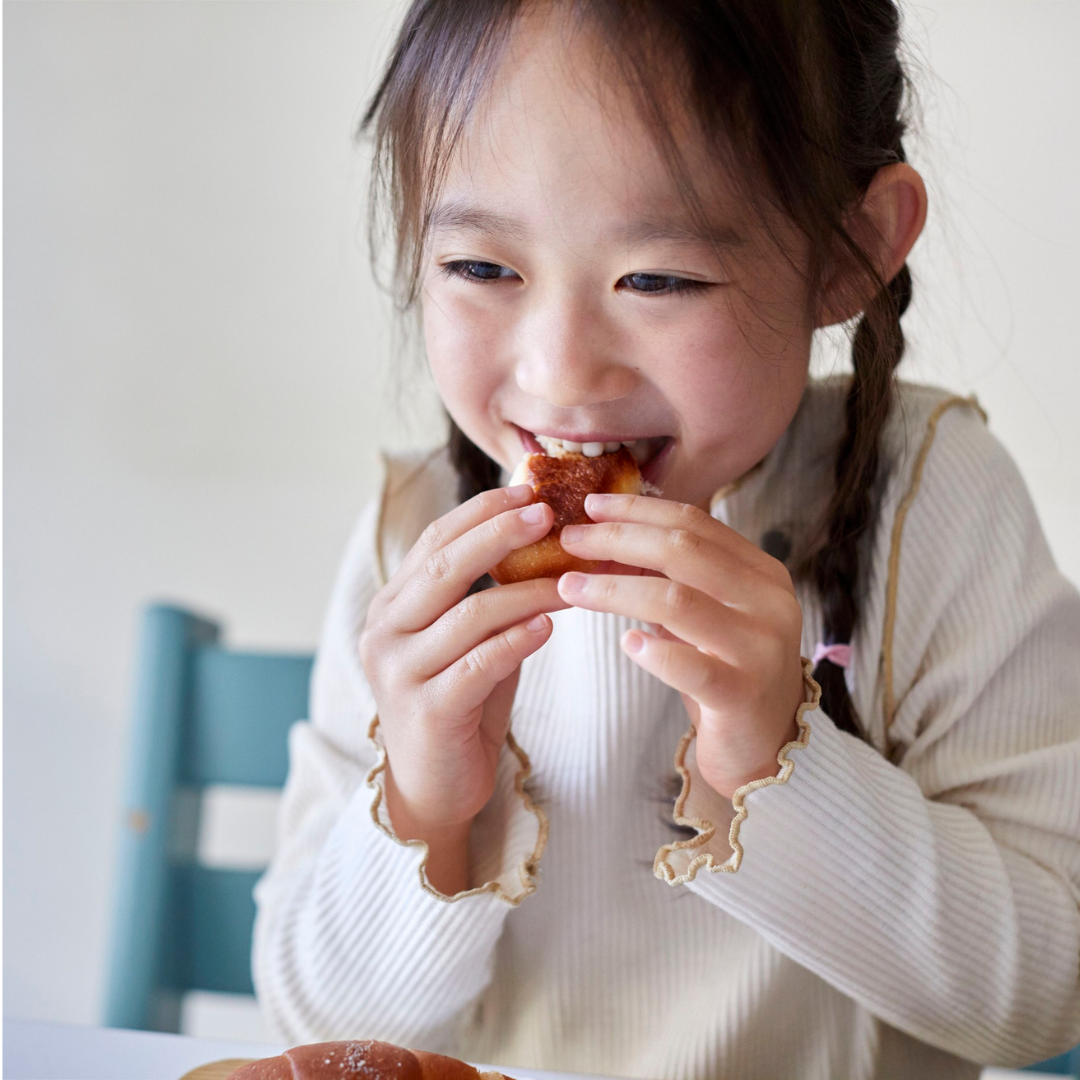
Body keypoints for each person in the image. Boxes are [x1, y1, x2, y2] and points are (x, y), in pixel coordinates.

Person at [252, 2, 1080, 1076]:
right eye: (481, 269)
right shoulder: (412, 537)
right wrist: (425, 801)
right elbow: (318, 1035)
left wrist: (771, 748)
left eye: (659, 279)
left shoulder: (929, 500)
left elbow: (1043, 997)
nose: (559, 373)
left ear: (851, 249)